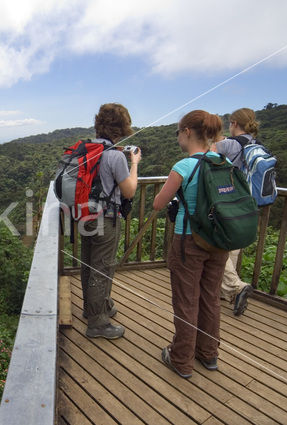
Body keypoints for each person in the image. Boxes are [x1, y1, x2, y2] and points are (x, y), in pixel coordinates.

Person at [153, 110, 229, 378]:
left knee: (187, 301)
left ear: (187, 132)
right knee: (210, 297)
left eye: (178, 133)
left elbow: (158, 203)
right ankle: (208, 355)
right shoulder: (222, 161)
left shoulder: (184, 166)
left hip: (189, 240)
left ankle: (181, 359)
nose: (178, 138)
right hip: (219, 240)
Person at [81, 103, 141, 339]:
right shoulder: (115, 156)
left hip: (83, 216)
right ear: (122, 126)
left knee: (88, 265)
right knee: (102, 269)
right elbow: (129, 191)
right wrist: (134, 164)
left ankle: (93, 309)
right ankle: (97, 323)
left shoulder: (87, 151)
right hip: (105, 219)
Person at [213, 108, 258, 316]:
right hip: (248, 203)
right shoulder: (255, 145)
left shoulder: (230, 144)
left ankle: (236, 287)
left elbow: (206, 153)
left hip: (229, 201)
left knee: (218, 246)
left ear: (233, 123)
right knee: (234, 247)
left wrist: (216, 139)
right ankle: (225, 292)